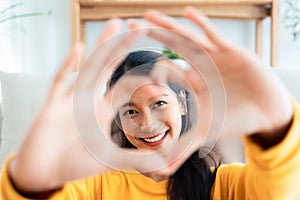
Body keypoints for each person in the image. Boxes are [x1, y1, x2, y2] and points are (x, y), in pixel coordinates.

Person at [1, 6, 300, 200]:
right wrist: (28, 185)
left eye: (158, 103)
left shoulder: (225, 184)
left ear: (183, 102)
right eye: (131, 111)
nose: (147, 123)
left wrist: (278, 129)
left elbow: (280, 191)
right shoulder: (93, 187)